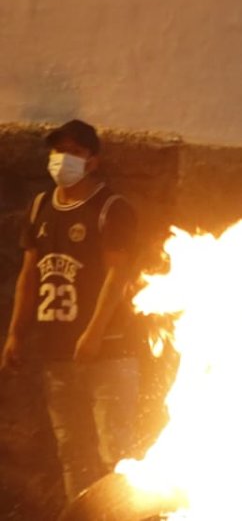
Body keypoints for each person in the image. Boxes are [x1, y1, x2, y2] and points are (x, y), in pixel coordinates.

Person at [1, 120, 141, 502]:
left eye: (75, 153)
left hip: (109, 352)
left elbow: (118, 274)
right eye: (57, 151)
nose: (63, 160)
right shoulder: (41, 206)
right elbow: (30, 274)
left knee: (116, 452)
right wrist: (16, 332)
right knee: (72, 452)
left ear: (93, 161)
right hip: (56, 350)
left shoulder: (110, 208)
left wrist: (94, 333)